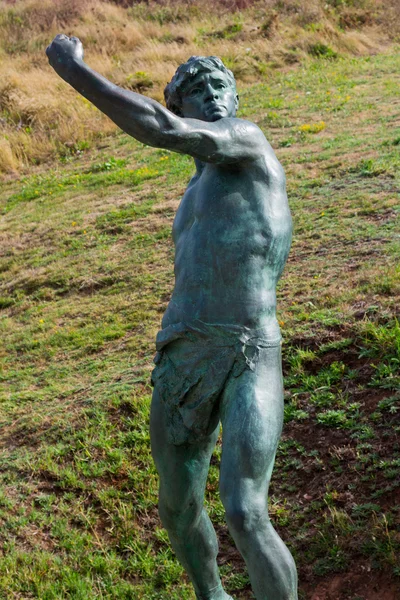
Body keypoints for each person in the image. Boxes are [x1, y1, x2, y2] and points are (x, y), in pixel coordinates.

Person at [46, 34, 298, 600]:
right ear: (181, 100)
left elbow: (160, 129)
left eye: (219, 86)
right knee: (178, 505)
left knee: (244, 507)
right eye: (196, 90)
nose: (211, 96)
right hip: (183, 354)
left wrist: (74, 70)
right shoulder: (196, 189)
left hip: (246, 348)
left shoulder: (245, 141)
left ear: (232, 98)